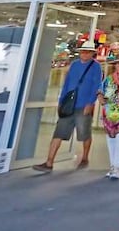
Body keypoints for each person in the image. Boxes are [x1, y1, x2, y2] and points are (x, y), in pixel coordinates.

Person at [32, 41, 103, 173]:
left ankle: (85, 158)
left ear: (92, 53)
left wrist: (90, 102)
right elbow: (67, 84)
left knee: (84, 134)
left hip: (83, 106)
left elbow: (97, 85)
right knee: (58, 132)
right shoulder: (74, 65)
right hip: (69, 105)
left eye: (87, 51)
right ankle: (49, 162)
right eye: (82, 51)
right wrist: (61, 100)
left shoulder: (96, 67)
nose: (84, 54)